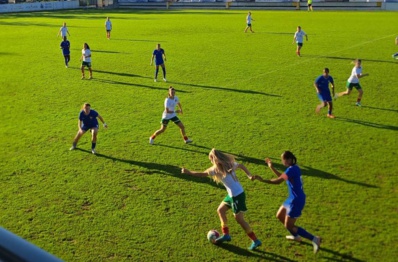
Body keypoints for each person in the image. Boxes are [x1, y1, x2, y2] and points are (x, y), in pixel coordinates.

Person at [181, 148, 262, 251]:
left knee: (239, 219)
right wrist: (249, 175)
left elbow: (202, 174)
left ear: (214, 158)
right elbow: (241, 165)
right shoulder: (223, 166)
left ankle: (255, 240)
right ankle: (226, 234)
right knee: (220, 210)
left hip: (237, 195)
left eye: (211, 159)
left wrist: (189, 172)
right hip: (232, 195)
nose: (211, 162)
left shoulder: (224, 166)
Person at [253, 151, 321, 254]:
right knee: (280, 215)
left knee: (288, 225)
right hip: (292, 198)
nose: (282, 161)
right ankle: (296, 237)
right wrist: (271, 167)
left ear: (289, 160)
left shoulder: (291, 170)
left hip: (296, 201)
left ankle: (314, 239)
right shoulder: (294, 168)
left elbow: (278, 181)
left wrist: (263, 180)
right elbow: (283, 177)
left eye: (283, 159)